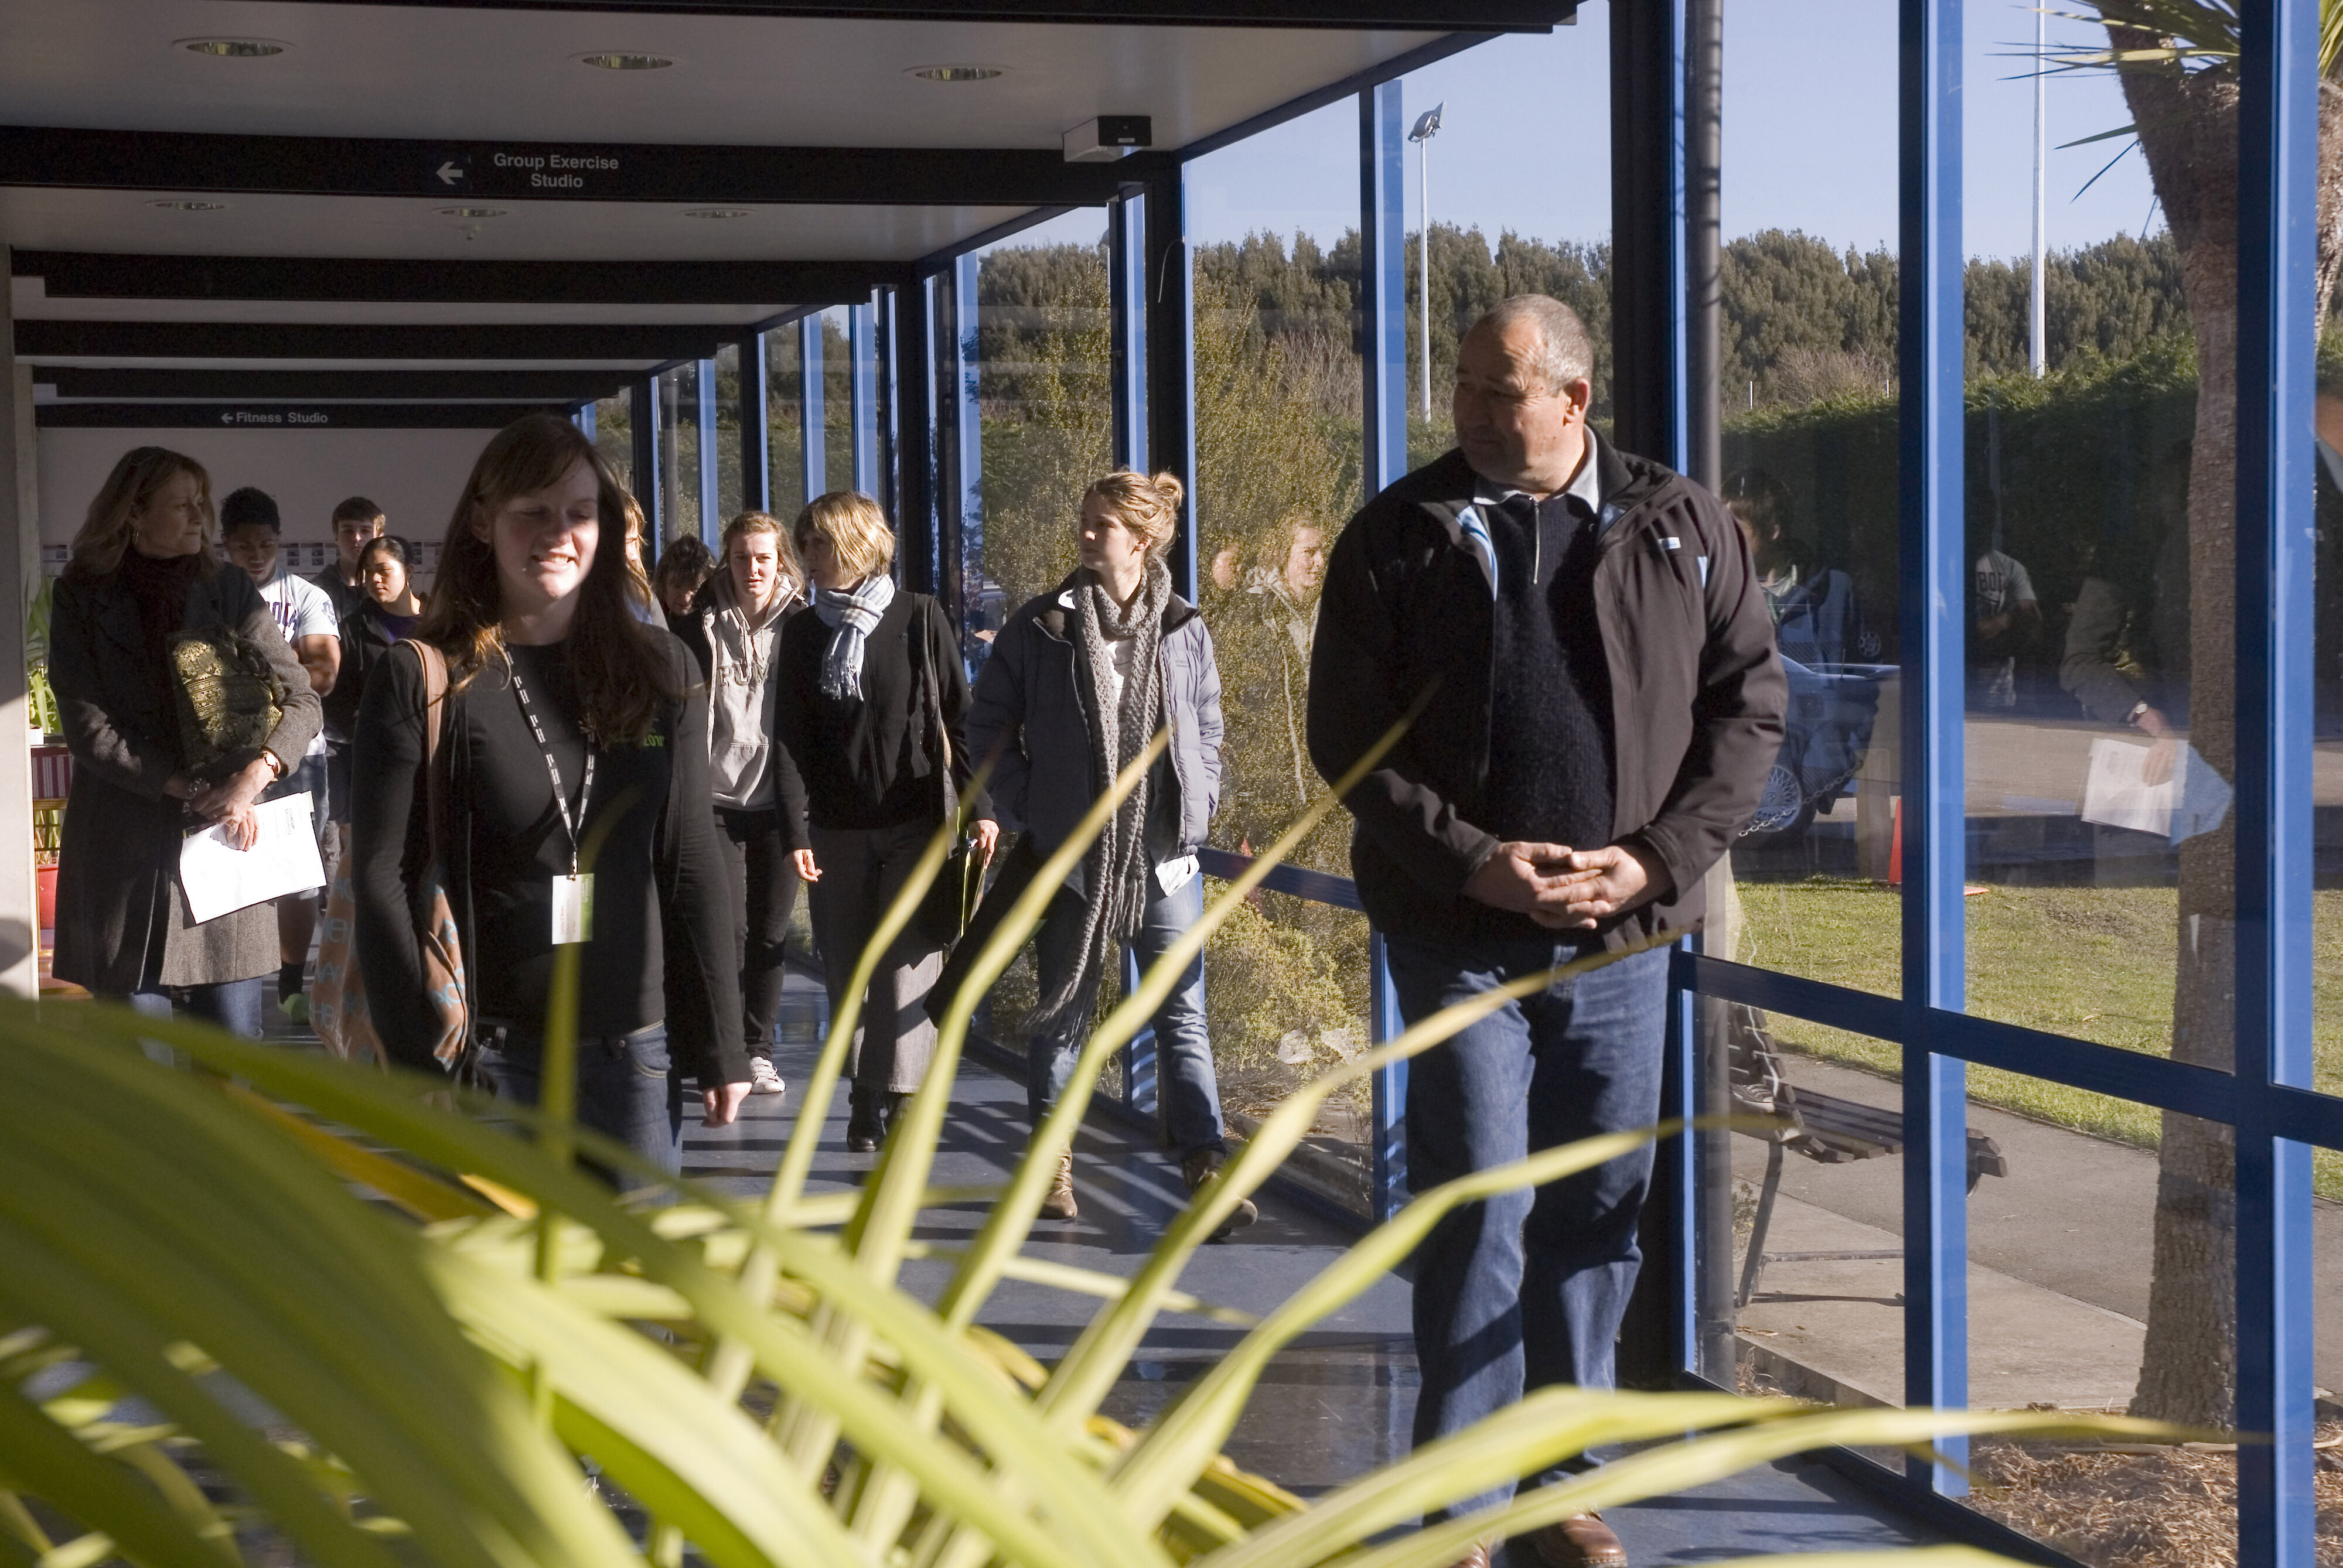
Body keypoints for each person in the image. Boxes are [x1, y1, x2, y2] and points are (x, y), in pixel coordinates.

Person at [1307, 296, 1785, 1568]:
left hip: (1624, 937)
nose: (1468, 407)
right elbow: (1347, 741)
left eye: (1496, 387)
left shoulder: (1679, 526)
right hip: (1458, 930)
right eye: (1462, 384)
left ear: (1572, 400)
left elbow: (1750, 715)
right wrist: (1478, 866)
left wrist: (1649, 860)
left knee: (1596, 1209)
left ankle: (1556, 1485)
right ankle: (1458, 1503)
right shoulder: (1393, 536)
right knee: (1477, 1204)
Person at [350, 414, 749, 1188]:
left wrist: (719, 1042)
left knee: (634, 1301)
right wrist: (414, 1059)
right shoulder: (426, 677)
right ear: (482, 520)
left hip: (633, 1052)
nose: (557, 533)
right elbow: (382, 878)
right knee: (498, 1305)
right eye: (531, 511)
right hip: (488, 1058)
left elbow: (690, 854)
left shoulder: (663, 667)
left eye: (578, 512)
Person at [966, 469, 1246, 1228]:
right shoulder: (1041, 627)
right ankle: (1050, 1169)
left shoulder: (1184, 626)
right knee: (1062, 1013)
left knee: (1181, 1013)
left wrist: (1202, 799)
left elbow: (1208, 723)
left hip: (1163, 858)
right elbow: (985, 729)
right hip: (1073, 861)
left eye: (1101, 525)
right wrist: (1034, 809)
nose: (1085, 535)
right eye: (1083, 522)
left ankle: (1205, 1169)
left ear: (1142, 539)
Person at [49, 447, 322, 1037]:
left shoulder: (228, 587)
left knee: (230, 1067)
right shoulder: (81, 593)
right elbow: (88, 727)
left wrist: (250, 781)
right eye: (183, 506)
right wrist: (190, 786)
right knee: (144, 1076)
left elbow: (303, 699)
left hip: (228, 843)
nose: (201, 518)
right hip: (125, 849)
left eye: (202, 504)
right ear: (133, 513)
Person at [773, 492, 995, 1153]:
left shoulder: (919, 618)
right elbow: (787, 740)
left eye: (817, 544)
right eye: (804, 544)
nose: (807, 558)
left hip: (914, 820)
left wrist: (980, 809)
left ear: (854, 544)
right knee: (847, 964)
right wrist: (795, 831)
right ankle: (863, 1089)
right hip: (837, 825)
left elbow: (962, 720)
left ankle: (895, 1098)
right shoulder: (805, 631)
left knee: (906, 962)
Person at [676, 511, 808, 1099]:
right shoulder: (697, 624)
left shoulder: (805, 627)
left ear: (781, 560)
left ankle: (759, 1051)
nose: (752, 568)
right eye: (741, 557)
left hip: (779, 803)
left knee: (771, 933)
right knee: (723, 929)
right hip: (715, 799)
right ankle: (723, 1047)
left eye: (763, 557)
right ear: (725, 562)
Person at [221, 486, 342, 1026]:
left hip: (299, 755)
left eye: (266, 543)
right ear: (225, 545)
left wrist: (244, 679)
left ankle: (292, 982)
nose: (256, 554)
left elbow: (322, 675)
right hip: (222, 757)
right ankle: (221, 979)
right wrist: (284, 671)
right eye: (244, 544)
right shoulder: (209, 595)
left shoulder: (308, 596)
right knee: (226, 866)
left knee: (299, 876)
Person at [322, 534, 425, 758]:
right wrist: (370, 732)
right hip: (380, 751)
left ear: (408, 572)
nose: (375, 579)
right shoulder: (354, 629)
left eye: (383, 570)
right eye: (368, 572)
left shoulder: (437, 623)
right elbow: (337, 699)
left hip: (434, 743)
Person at [1972, 542, 2041, 709]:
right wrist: (2004, 621)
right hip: (1957, 680)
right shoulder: (1945, 563)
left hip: (2000, 684)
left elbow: (2031, 620)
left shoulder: (2011, 567)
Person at [313, 496, 387, 621]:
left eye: (365, 530)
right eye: (348, 531)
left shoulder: (390, 586)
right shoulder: (316, 591)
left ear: (379, 538)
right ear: (337, 537)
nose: (357, 538)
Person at [655, 535, 717, 629]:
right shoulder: (648, 621)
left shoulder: (720, 627)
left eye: (695, 588)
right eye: (677, 586)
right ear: (663, 583)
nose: (685, 599)